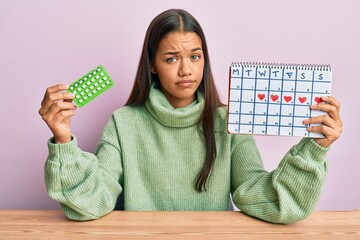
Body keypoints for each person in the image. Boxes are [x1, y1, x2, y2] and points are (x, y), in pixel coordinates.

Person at [38, 9, 342, 224]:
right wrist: (63, 139)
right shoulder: (123, 123)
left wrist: (315, 148)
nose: (186, 70)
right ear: (153, 65)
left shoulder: (229, 122)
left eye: (195, 56)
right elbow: (93, 201)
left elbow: (267, 201)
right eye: (172, 58)